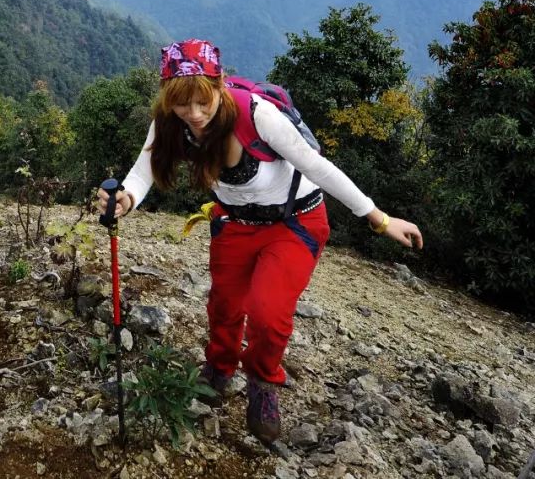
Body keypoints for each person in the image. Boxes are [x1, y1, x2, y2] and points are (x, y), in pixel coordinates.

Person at [97, 39, 422, 444]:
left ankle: (263, 382)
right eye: (182, 103)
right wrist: (126, 198)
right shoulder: (169, 121)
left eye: (202, 101)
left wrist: (379, 219)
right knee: (224, 304)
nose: (193, 114)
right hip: (235, 222)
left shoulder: (256, 115)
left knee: (268, 313)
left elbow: (317, 167)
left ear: (219, 84)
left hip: (295, 223)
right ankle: (219, 367)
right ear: (168, 97)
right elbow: (143, 171)